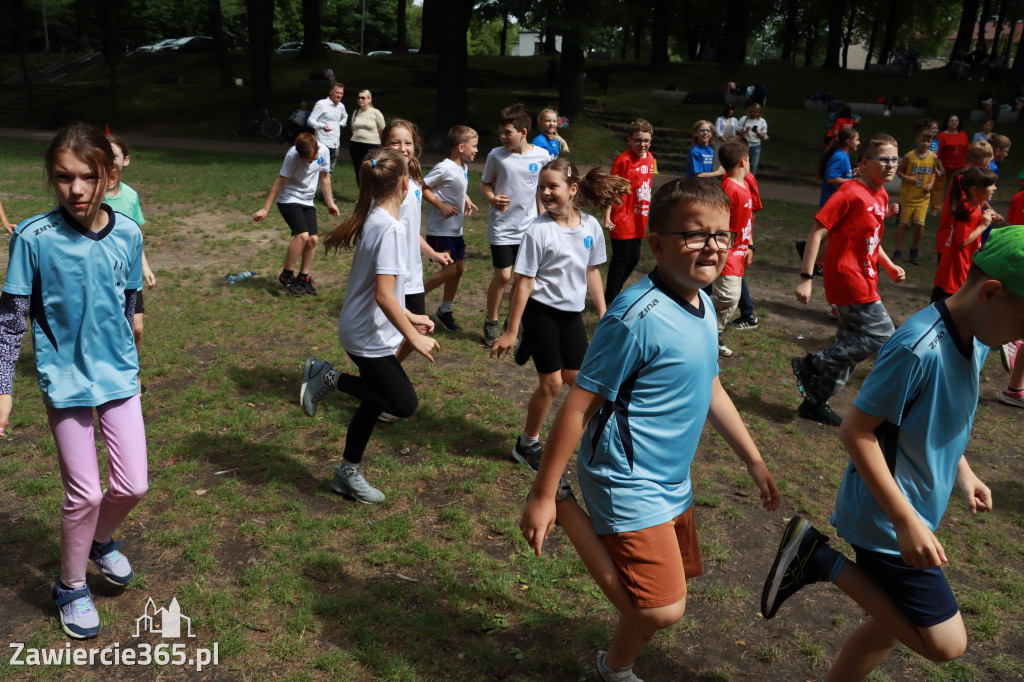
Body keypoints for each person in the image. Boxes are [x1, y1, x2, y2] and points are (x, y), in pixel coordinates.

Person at [519, 177, 780, 682]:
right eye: (695, 235)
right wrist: (544, 494)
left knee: (667, 585)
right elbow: (578, 407)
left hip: (670, 478)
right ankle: (570, 508)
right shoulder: (634, 317)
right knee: (660, 608)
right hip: (624, 476)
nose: (712, 246)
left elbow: (711, 387)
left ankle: (613, 670)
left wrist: (753, 459)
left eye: (722, 235)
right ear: (657, 244)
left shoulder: (703, 303)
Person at [761, 227, 1024, 680]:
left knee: (888, 626)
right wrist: (905, 521)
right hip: (886, 519)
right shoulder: (918, 348)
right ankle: (816, 556)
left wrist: (964, 472)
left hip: (910, 512)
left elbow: (929, 422)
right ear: (992, 293)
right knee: (946, 643)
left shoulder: (979, 340)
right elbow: (857, 431)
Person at [0, 123, 148, 639]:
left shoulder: (129, 231)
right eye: (64, 178)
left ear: (109, 176)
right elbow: (11, 320)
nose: (77, 189)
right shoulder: (32, 237)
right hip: (64, 380)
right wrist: (4, 389)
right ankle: (70, 585)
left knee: (133, 484)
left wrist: (134, 320)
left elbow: (130, 294)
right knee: (83, 495)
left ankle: (102, 542)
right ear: (51, 178)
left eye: (88, 177)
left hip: (119, 376)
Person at [299, 147, 439, 504]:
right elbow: (383, 296)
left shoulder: (373, 217)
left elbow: (382, 291)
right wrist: (413, 337)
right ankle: (326, 377)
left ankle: (347, 472)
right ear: (405, 184)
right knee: (403, 403)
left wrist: (411, 315)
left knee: (374, 401)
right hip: (367, 334)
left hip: (361, 327)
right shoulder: (388, 227)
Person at [490, 158, 626, 469]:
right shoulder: (538, 231)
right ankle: (527, 444)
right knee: (551, 383)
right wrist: (511, 330)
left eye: (553, 186)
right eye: (541, 188)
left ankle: (592, 439)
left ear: (573, 189)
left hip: (571, 314)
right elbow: (523, 283)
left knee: (578, 379)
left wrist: (604, 314)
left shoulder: (591, 226)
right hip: (540, 312)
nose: (546, 193)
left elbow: (592, 272)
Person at [792, 134, 905, 427]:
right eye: (884, 159)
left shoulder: (880, 194)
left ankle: (815, 402)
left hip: (867, 276)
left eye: (895, 159)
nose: (891, 165)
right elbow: (816, 232)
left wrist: (890, 266)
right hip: (847, 278)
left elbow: (871, 240)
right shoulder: (848, 193)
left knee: (848, 347)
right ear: (864, 164)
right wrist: (806, 278)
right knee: (883, 336)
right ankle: (812, 363)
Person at [480, 103, 552, 347]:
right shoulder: (496, 155)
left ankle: (512, 323)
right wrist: (492, 198)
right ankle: (491, 321)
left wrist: (545, 219)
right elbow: (486, 184)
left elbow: (543, 190)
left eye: (507, 132)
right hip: (501, 226)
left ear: (523, 132)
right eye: (500, 132)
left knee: (524, 278)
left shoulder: (542, 156)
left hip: (529, 228)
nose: (503, 137)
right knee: (503, 275)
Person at [383, 119, 454, 323]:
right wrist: (394, 269)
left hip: (412, 272)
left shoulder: (414, 182)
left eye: (408, 143)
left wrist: (433, 253)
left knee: (418, 329)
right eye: (395, 143)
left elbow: (409, 229)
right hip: (392, 271)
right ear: (384, 146)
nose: (403, 149)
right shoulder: (383, 184)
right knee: (396, 333)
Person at [252, 133, 339, 296]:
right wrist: (265, 208)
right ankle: (286, 276)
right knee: (302, 235)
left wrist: (330, 203)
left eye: (311, 160)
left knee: (313, 239)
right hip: (288, 197)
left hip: (307, 199)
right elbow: (280, 181)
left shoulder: (324, 151)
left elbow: (324, 178)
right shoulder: (292, 155)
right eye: (304, 160)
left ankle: (303, 277)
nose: (307, 163)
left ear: (316, 149)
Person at [104, 134, 157, 371]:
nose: (108, 161)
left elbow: (135, 238)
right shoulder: (90, 197)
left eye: (113, 156)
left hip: (130, 276)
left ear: (125, 161)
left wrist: (145, 266)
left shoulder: (131, 196)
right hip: (103, 278)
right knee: (109, 330)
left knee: (136, 329)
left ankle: (131, 372)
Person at [422, 125, 479, 331]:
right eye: (474, 146)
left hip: (456, 230)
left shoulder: (462, 168)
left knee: (458, 270)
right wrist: (441, 206)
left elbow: (456, 187)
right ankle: (409, 298)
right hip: (440, 230)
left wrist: (465, 198)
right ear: (461, 147)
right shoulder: (444, 167)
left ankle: (444, 311)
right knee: (449, 270)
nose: (477, 150)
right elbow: (422, 186)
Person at [604, 118, 656, 305]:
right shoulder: (623, 160)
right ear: (629, 140)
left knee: (633, 259)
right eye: (638, 140)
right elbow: (612, 189)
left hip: (638, 217)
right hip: (622, 216)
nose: (642, 144)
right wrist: (607, 216)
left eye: (646, 140)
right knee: (622, 258)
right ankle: (609, 300)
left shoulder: (650, 158)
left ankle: (613, 294)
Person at [709, 139, 754, 357]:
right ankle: (690, 308)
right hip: (727, 252)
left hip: (739, 252)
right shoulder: (729, 188)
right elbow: (719, 222)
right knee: (728, 297)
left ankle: (711, 338)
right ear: (742, 160)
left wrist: (749, 245)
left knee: (731, 299)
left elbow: (747, 221)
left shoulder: (745, 184)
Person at [931, 167, 997, 303]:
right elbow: (963, 241)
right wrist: (984, 225)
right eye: (990, 185)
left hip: (957, 266)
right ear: (974, 190)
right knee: (945, 308)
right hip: (956, 269)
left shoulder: (974, 206)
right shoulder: (969, 211)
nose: (994, 188)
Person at [935, 141, 997, 260]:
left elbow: (978, 200)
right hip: (953, 238)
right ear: (984, 165)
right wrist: (984, 224)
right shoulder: (963, 180)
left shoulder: (965, 178)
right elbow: (962, 238)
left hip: (962, 237)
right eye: (988, 163)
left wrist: (990, 211)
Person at [892, 126, 940, 264]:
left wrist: (931, 184)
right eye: (923, 140)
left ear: (931, 142)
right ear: (917, 140)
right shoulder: (909, 156)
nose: (925, 143)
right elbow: (899, 171)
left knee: (919, 225)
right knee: (903, 224)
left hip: (923, 198)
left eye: (928, 141)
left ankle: (914, 250)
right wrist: (906, 178)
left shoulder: (933, 157)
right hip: (908, 197)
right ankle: (898, 250)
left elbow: (932, 172)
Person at [932, 114, 968, 215]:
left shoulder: (963, 134)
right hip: (944, 166)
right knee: (938, 188)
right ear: (947, 123)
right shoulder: (942, 135)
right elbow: (937, 153)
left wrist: (967, 165)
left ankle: (953, 208)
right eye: (951, 120)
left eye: (956, 120)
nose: (954, 122)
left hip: (959, 166)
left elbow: (967, 150)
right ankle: (935, 209)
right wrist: (941, 166)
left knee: (955, 188)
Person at [307, 83, 348, 174]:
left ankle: (324, 188)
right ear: (331, 92)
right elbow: (310, 121)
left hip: (335, 143)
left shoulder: (341, 106)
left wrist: (342, 123)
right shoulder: (321, 104)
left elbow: (345, 116)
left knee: (329, 170)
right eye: (337, 92)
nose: (339, 95)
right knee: (316, 168)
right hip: (322, 143)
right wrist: (322, 126)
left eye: (341, 93)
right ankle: (311, 187)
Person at [349, 90, 385, 187]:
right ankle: (362, 196)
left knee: (371, 170)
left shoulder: (375, 112)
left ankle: (373, 194)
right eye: (359, 98)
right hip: (355, 145)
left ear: (369, 99)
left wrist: (379, 141)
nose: (360, 100)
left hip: (371, 146)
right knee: (359, 171)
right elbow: (353, 128)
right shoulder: (356, 112)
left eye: (363, 98)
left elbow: (382, 128)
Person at [818, 127, 860, 208]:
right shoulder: (840, 156)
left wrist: (852, 173)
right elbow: (831, 179)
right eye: (857, 140)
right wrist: (855, 181)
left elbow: (840, 175)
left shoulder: (844, 155)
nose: (858, 142)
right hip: (831, 205)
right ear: (848, 142)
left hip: (837, 203)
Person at [736, 103, 767, 175]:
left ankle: (750, 184)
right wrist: (745, 131)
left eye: (757, 112)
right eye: (753, 111)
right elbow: (737, 132)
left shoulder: (762, 121)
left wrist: (757, 133)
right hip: (744, 145)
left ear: (759, 113)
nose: (755, 114)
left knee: (753, 167)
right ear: (750, 111)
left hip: (755, 146)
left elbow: (764, 137)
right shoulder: (744, 119)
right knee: (742, 166)